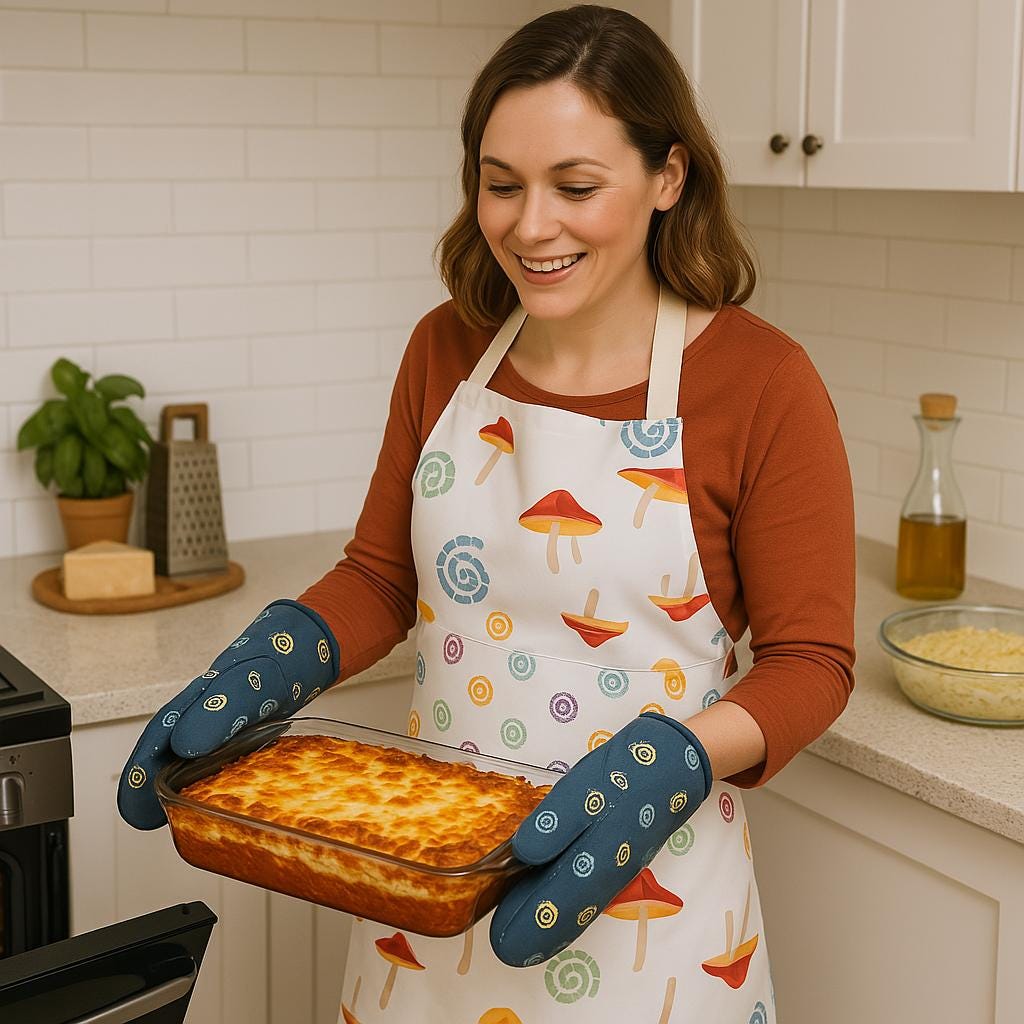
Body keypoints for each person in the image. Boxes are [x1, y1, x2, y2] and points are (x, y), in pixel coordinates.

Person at [117, 5, 856, 1021]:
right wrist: (272, 658)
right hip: (426, 885)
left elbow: (813, 659)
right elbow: (384, 576)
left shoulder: (762, 381)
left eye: (576, 187)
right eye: (500, 183)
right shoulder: (446, 346)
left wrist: (674, 758)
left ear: (668, 179)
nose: (528, 224)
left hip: (654, 907)